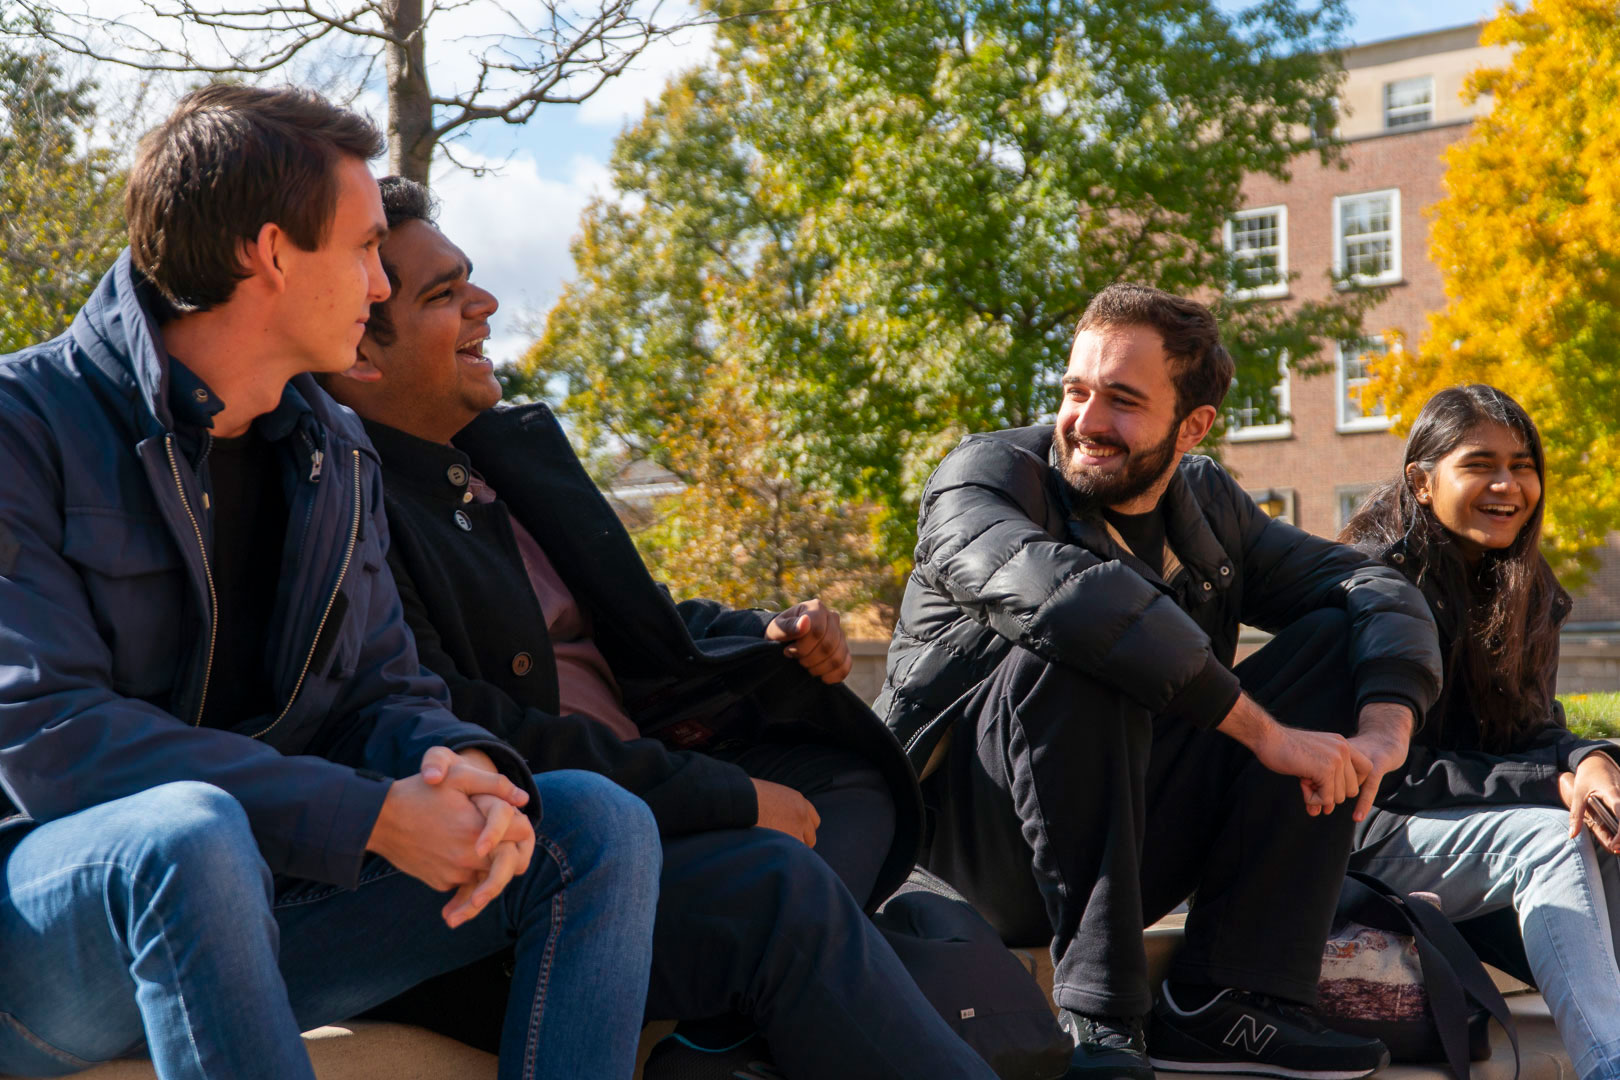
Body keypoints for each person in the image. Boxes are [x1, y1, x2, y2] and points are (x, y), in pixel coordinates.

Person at [0, 85, 661, 1080]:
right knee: (192, 834)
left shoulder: (333, 453)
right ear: (270, 253)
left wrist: (458, 771)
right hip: (49, 943)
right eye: (362, 250)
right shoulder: (25, 425)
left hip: (263, 905)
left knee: (590, 821)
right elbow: (48, 739)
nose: (381, 286)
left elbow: (385, 693)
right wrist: (368, 817)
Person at [316, 175, 999, 1080]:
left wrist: (767, 632)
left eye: (469, 279)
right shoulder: (352, 506)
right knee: (776, 888)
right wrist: (729, 798)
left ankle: (723, 1042)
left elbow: (636, 618)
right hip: (540, 871)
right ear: (360, 353)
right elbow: (466, 726)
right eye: (443, 295)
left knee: (850, 779)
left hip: (647, 783)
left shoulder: (500, 462)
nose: (484, 304)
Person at [878, 283, 1445, 1079]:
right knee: (1087, 639)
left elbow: (1376, 588)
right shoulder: (984, 476)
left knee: (1330, 639)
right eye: (1076, 390)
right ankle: (1102, 1017)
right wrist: (1264, 733)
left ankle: (1227, 998)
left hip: (1132, 835)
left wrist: (1387, 726)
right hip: (972, 849)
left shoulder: (1208, 502)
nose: (1086, 421)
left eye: (1122, 400)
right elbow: (1077, 604)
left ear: (1193, 425)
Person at [1342, 384, 1620, 1080]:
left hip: (1465, 846)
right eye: (1481, 464)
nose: (1508, 484)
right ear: (1422, 481)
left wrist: (1588, 762)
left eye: (1523, 464)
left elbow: (1530, 731)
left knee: (1606, 813)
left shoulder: (1520, 588)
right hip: (1362, 837)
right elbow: (1393, 771)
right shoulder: (1376, 588)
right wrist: (1549, 784)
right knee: (1547, 836)